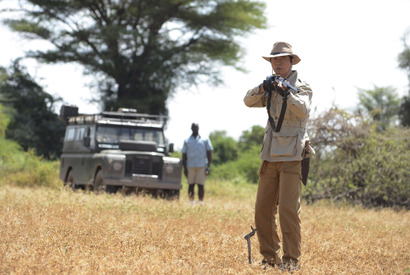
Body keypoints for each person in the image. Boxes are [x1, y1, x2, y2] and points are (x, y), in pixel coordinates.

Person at [243, 42, 313, 269]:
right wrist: (264, 88)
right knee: (262, 209)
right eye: (274, 59)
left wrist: (287, 93)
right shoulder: (271, 86)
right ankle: (270, 258)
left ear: (292, 61)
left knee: (287, 210)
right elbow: (247, 101)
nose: (278, 63)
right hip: (270, 156)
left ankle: (291, 261)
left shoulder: (302, 87)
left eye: (283, 59)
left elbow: (303, 110)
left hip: (292, 156)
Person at [182, 123, 213, 204]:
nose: (195, 129)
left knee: (201, 185)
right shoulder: (187, 140)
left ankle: (200, 202)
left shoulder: (205, 139)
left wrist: (208, 167)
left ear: (198, 128)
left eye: (196, 127)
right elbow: (184, 154)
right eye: (193, 127)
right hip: (190, 166)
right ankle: (191, 202)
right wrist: (185, 168)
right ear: (191, 128)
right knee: (191, 185)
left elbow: (209, 152)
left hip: (201, 165)